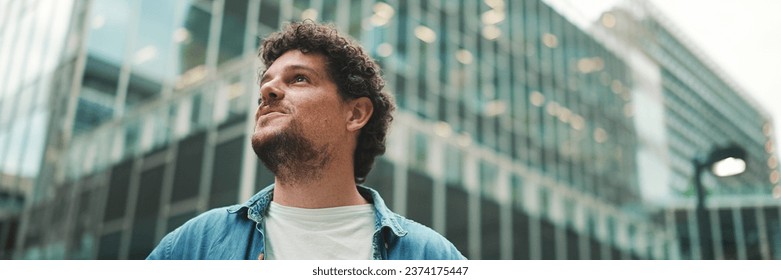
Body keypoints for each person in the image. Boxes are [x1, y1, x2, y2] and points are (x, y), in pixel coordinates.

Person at [147, 20, 465, 260]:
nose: (267, 92)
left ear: (355, 114)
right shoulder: (193, 245)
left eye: (299, 78)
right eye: (266, 84)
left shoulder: (429, 256)